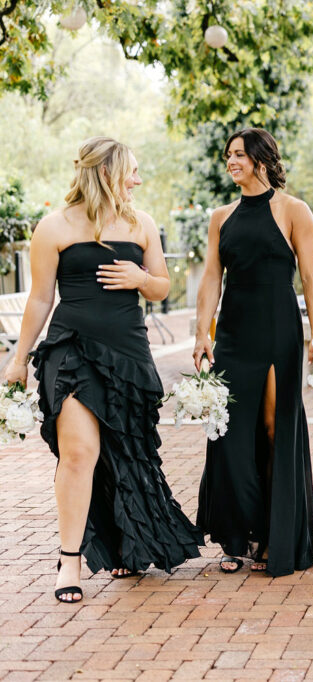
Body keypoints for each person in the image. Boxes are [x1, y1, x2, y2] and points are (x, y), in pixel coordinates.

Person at [3, 137, 202, 603]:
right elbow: (39, 298)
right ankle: (69, 559)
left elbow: (162, 288)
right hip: (71, 349)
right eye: (131, 170)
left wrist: (141, 279)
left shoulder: (141, 224)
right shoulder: (54, 226)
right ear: (106, 172)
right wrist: (18, 359)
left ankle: (121, 543)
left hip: (128, 353)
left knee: (123, 452)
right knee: (79, 452)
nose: (137, 179)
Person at [193, 128, 313, 577]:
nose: (231, 162)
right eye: (228, 155)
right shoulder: (220, 216)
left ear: (261, 160)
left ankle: (273, 534)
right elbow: (212, 277)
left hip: (277, 329)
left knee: (271, 428)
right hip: (233, 332)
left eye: (239, 155)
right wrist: (201, 334)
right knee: (230, 432)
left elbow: (310, 277)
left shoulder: (293, 210)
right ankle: (236, 536)